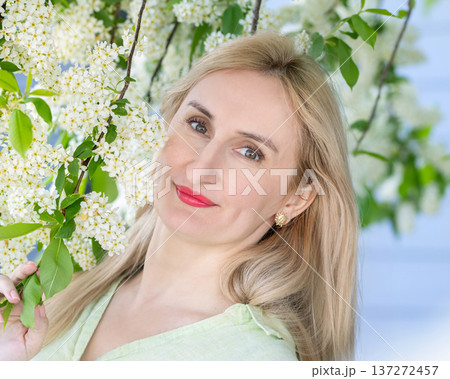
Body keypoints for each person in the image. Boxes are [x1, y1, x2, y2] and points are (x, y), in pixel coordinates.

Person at [0, 30, 358, 361]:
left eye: (250, 152)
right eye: (198, 125)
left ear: (295, 198)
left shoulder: (252, 360)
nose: (202, 169)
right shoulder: (60, 297)